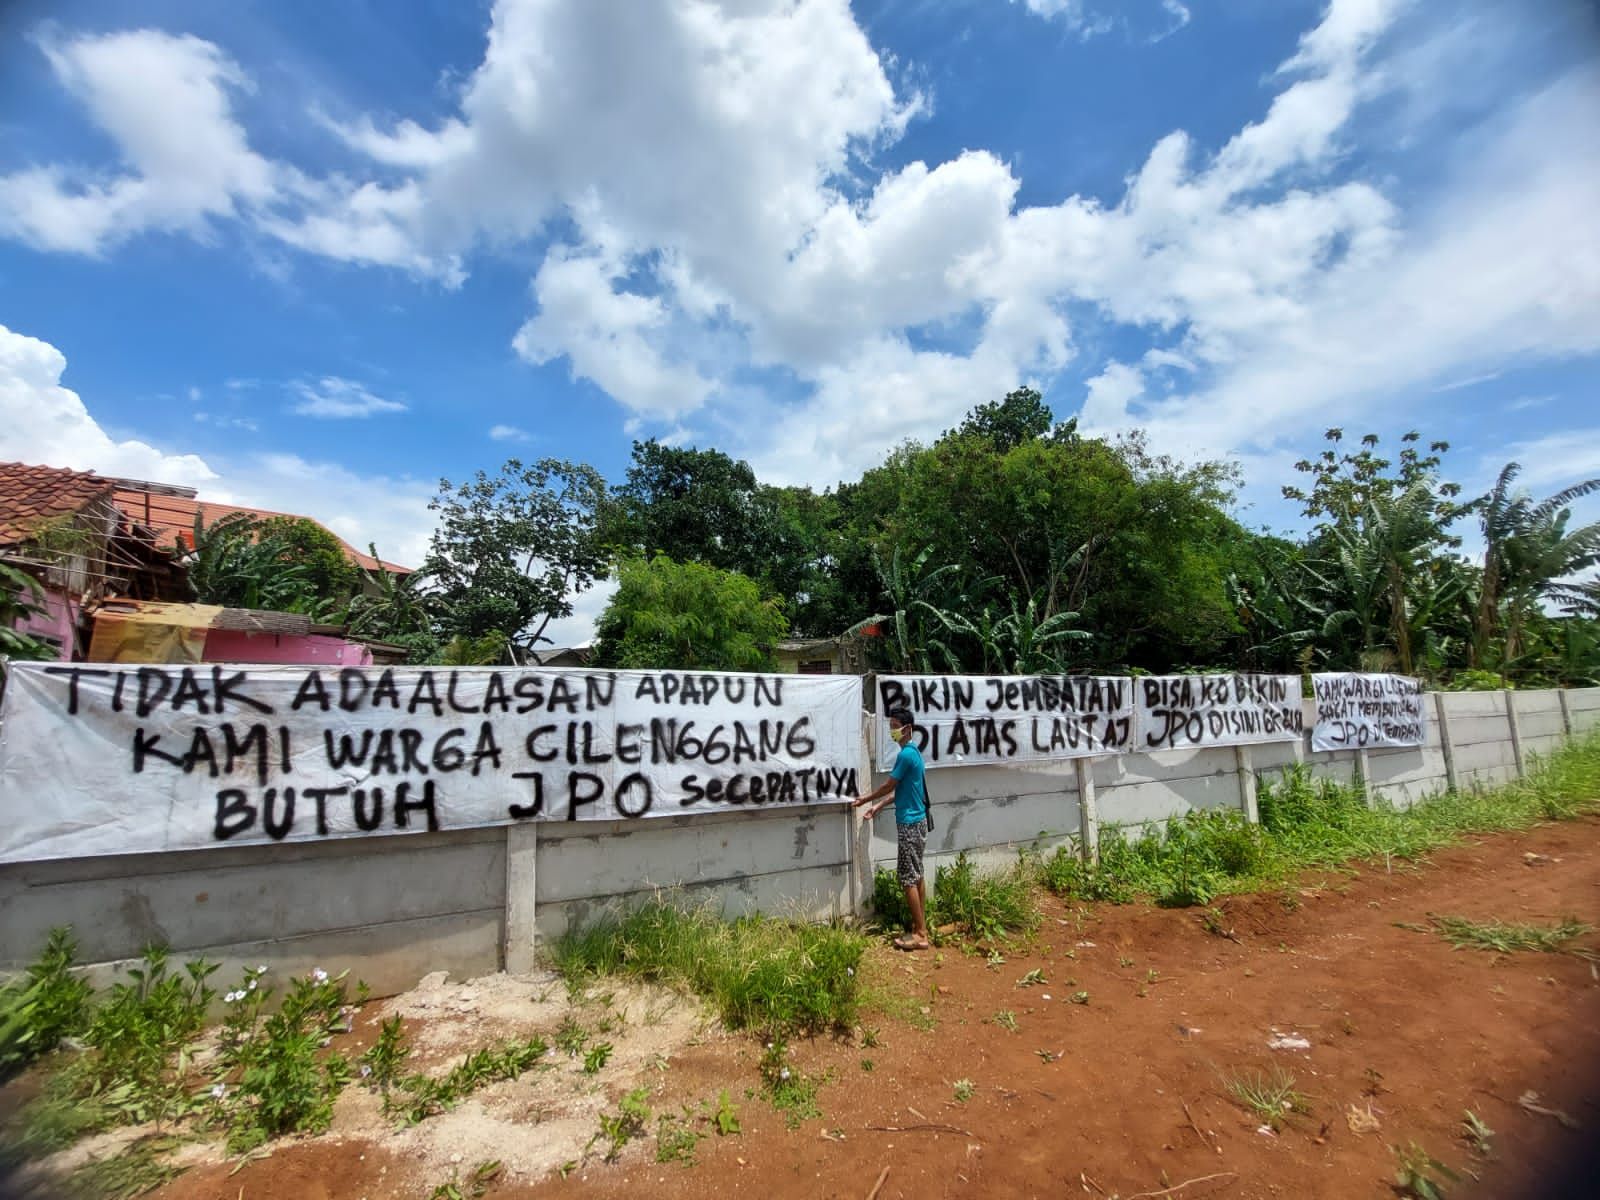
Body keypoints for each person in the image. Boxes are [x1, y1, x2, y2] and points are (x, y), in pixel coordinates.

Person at [852, 705, 930, 950]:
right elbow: (902, 791)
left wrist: (865, 799)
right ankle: (921, 926)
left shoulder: (905, 755)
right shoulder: (914, 753)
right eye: (890, 727)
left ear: (907, 729)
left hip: (909, 823)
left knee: (907, 878)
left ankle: (920, 934)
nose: (891, 731)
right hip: (919, 822)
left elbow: (889, 785)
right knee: (916, 875)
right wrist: (878, 807)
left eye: (895, 727)